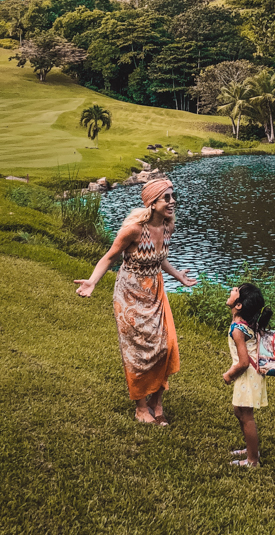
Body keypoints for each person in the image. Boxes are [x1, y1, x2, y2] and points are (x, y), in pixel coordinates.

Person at [74, 179, 196, 425]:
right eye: (167, 198)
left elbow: (157, 258)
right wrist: (93, 281)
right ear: (152, 203)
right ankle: (141, 407)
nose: (173, 202)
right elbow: (110, 257)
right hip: (129, 294)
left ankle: (156, 402)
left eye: (173, 196)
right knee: (138, 351)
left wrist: (178, 276)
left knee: (167, 345)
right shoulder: (133, 230)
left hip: (156, 291)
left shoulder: (167, 227)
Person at [222, 283, 273, 467]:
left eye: (236, 291)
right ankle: (251, 448)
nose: (233, 289)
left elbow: (243, 362)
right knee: (239, 411)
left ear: (239, 305)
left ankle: (253, 460)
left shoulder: (238, 329)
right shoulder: (243, 323)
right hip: (250, 375)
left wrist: (229, 375)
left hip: (247, 375)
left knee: (246, 415)